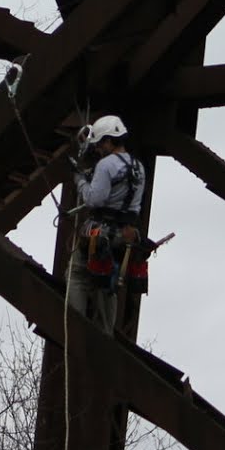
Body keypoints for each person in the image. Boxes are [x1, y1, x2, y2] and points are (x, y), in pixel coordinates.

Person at [66, 114, 147, 333]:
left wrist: (80, 180)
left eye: (101, 144)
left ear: (109, 141)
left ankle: (77, 325)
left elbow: (94, 199)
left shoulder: (105, 165)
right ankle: (105, 333)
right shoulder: (138, 167)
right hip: (126, 236)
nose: (99, 149)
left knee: (77, 275)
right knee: (108, 284)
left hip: (101, 232)